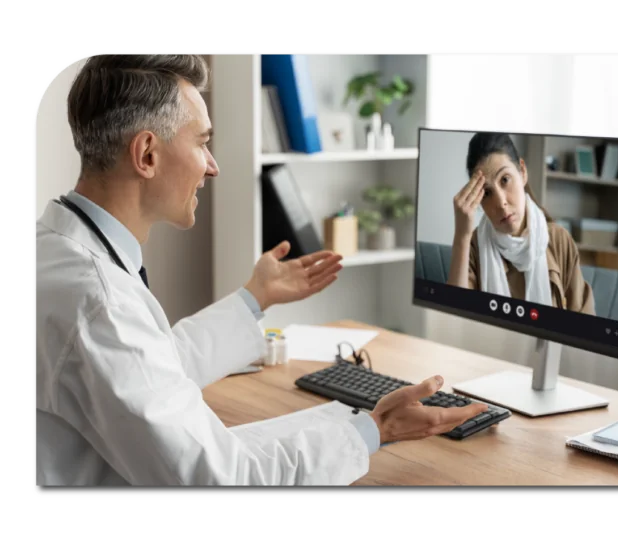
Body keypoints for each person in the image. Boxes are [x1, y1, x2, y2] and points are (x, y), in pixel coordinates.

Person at [35, 54, 488, 486]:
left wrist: (255, 297)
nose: (212, 167)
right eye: (202, 143)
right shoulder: (99, 302)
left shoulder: (59, 252)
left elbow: (150, 368)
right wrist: (374, 430)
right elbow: (224, 477)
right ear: (147, 155)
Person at [447, 132, 595, 315]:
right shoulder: (474, 246)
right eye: (486, 193)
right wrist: (461, 235)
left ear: (522, 172)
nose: (501, 202)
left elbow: (585, 326)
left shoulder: (559, 241)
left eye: (505, 180)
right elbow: (453, 321)